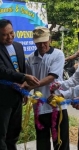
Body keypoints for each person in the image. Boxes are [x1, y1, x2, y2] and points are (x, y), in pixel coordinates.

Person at [25, 27, 69, 150]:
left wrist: (31, 85)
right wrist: (24, 93)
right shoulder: (30, 59)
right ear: (34, 42)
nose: (42, 45)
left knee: (60, 142)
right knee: (42, 142)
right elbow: (27, 81)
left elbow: (52, 77)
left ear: (50, 39)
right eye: (38, 42)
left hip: (57, 104)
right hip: (39, 107)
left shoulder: (58, 54)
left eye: (44, 41)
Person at [0, 19, 40, 150]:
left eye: (11, 33)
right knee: (1, 135)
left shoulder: (18, 46)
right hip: (2, 99)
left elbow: (21, 69)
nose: (9, 37)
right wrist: (24, 77)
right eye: (4, 35)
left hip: (17, 96)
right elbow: (3, 71)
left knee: (14, 132)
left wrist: (25, 90)